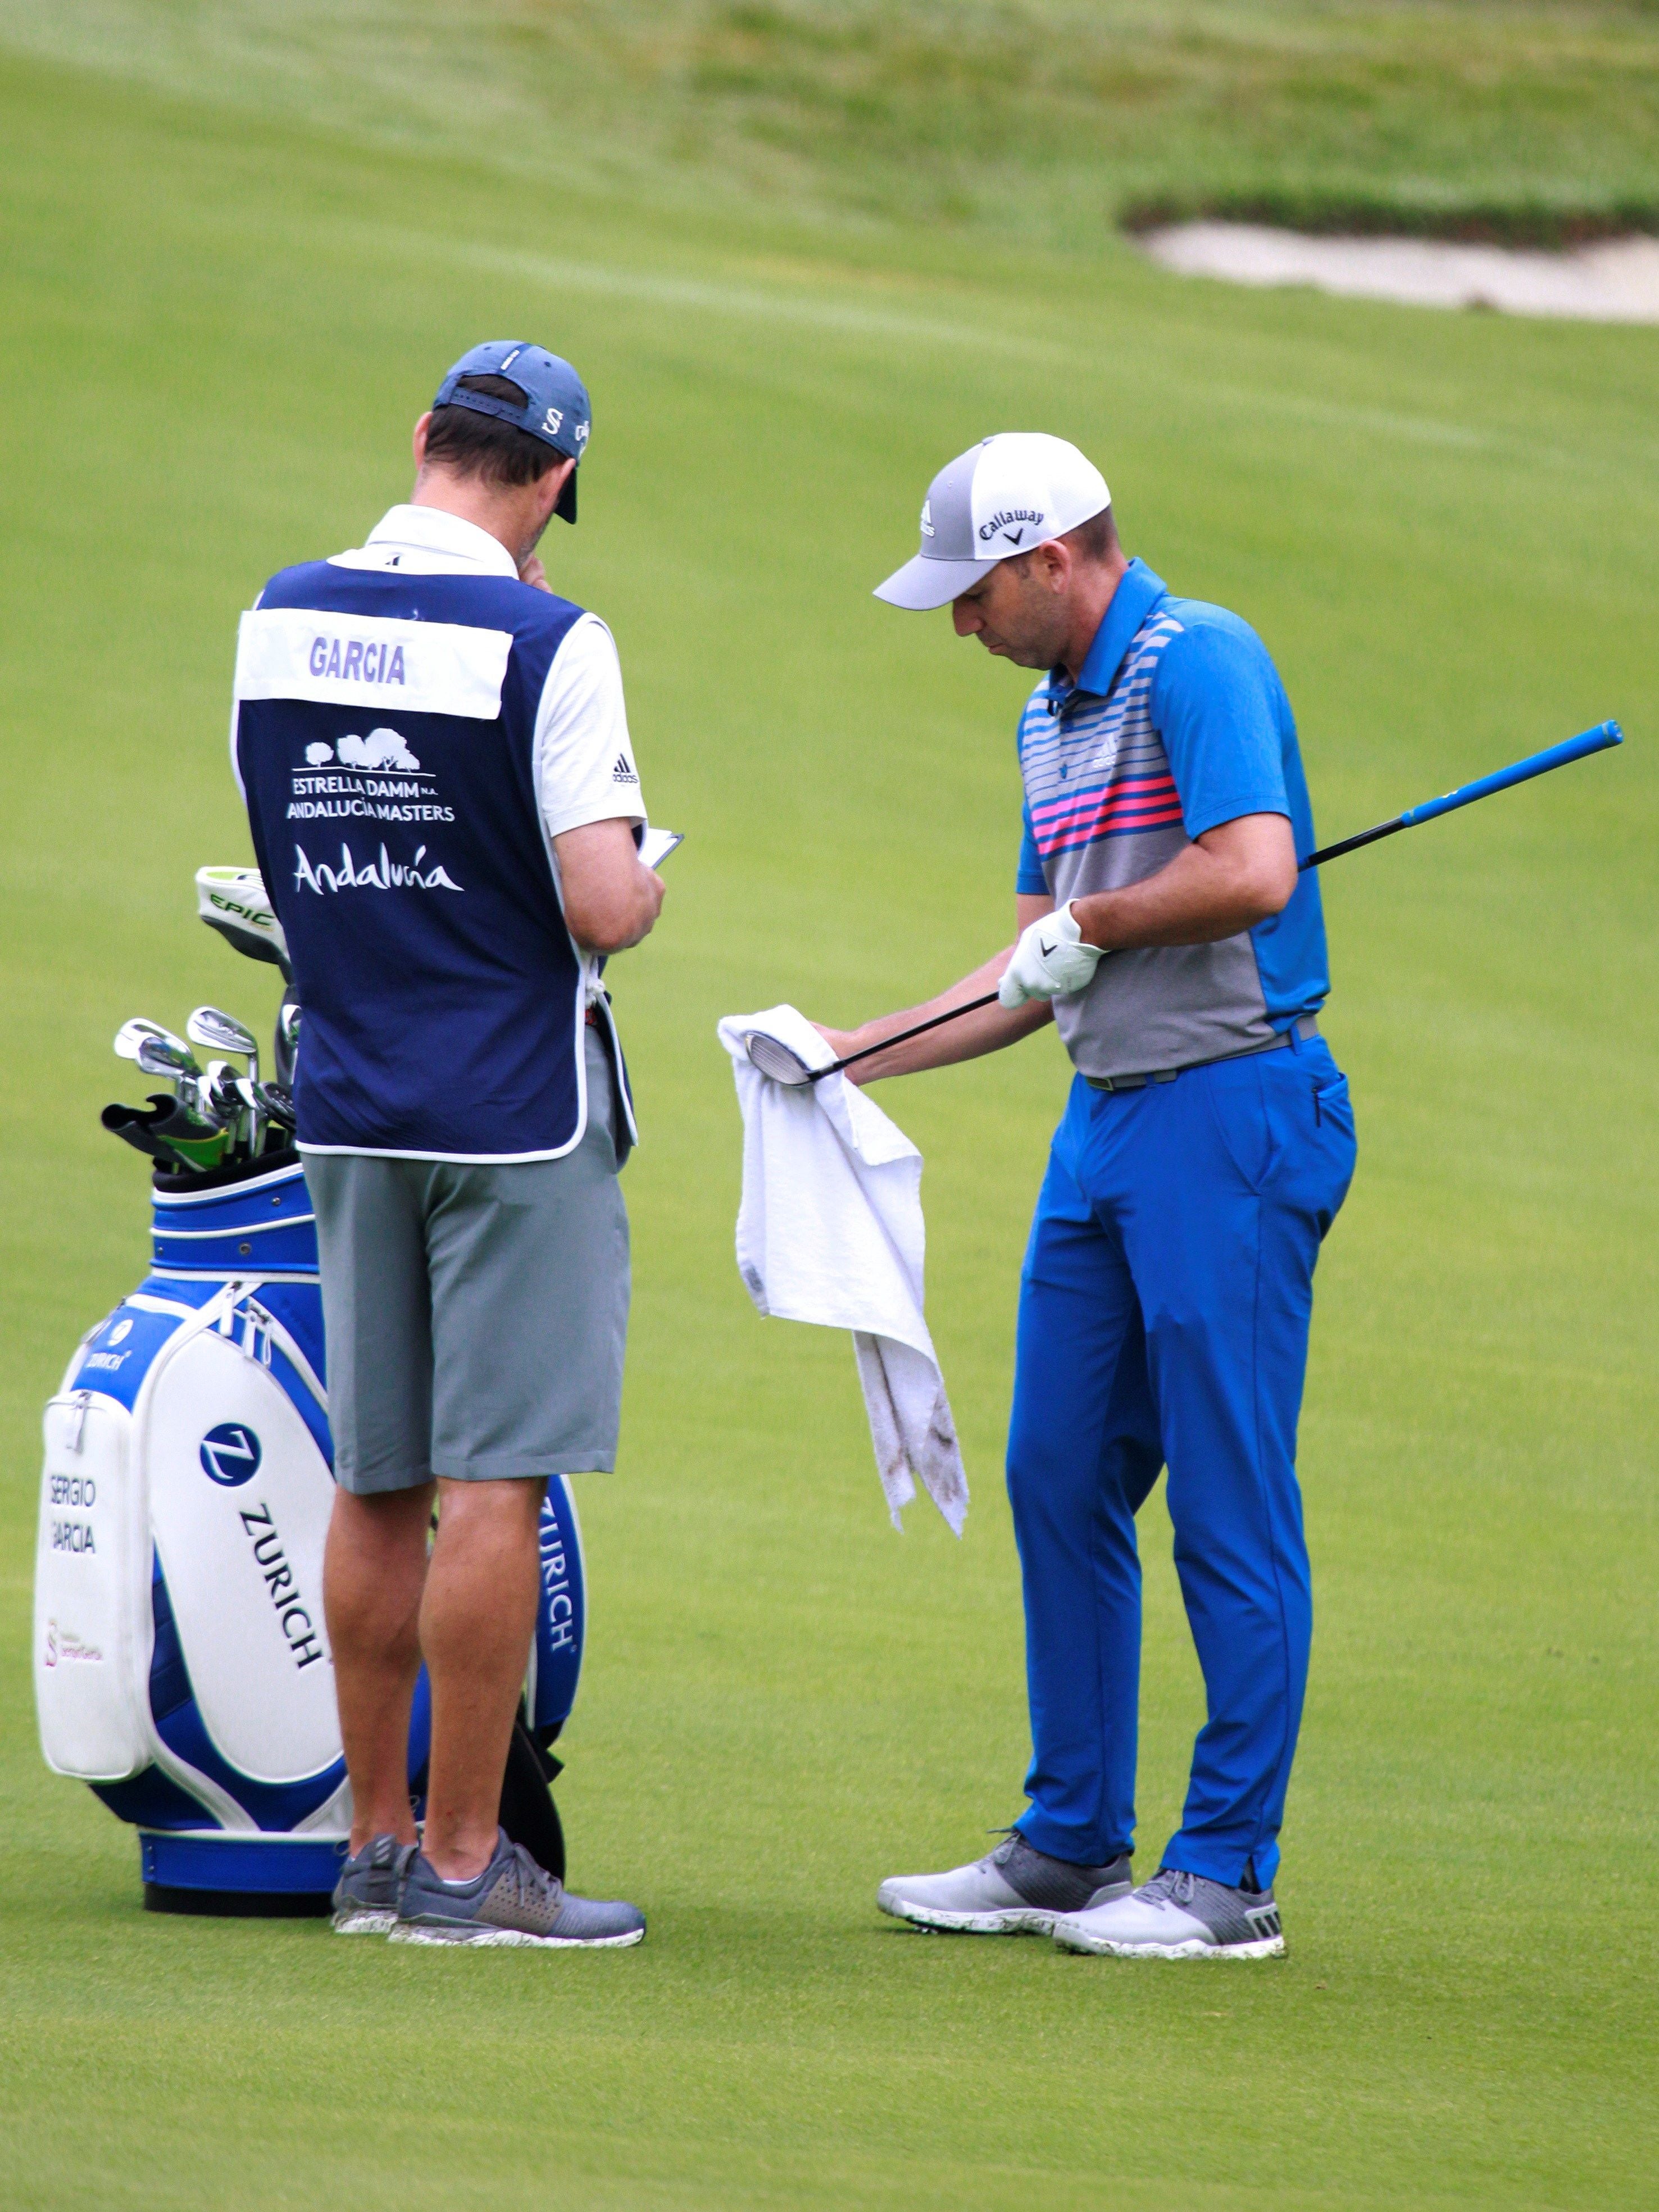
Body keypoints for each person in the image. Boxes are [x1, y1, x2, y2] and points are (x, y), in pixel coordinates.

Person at [815, 434, 1356, 1959]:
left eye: (973, 592)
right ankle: (1067, 1841)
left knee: (1229, 1497)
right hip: (1106, 1121)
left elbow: (1252, 867)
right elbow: (1024, 970)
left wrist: (1096, 920)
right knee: (1057, 1467)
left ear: (1051, 556)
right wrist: (858, 1052)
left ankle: (1223, 1873)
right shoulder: (1046, 723)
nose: (959, 624)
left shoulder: (1201, 658)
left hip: (1234, 1107)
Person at [231, 342, 663, 1947]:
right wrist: (650, 885)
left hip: (346, 1091)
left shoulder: (275, 613)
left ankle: (371, 1848)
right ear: (550, 482)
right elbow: (603, 900)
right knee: (493, 1483)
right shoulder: (553, 635)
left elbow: (288, 846)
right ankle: (470, 1868)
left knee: (375, 1475)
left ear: (424, 439)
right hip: (513, 1111)